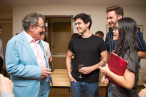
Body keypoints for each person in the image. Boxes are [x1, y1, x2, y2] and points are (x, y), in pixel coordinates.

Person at [5, 12, 52, 97]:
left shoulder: (39, 40)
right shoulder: (14, 42)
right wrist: (37, 71)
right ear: (32, 27)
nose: (44, 30)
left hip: (43, 87)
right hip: (27, 91)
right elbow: (11, 68)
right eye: (42, 27)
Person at [66, 13, 108, 97]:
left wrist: (92, 68)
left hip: (92, 81)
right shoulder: (73, 41)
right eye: (76, 24)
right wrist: (69, 74)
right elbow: (68, 57)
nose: (77, 26)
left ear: (87, 23)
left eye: (79, 23)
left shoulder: (99, 41)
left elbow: (105, 59)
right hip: (75, 80)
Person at [100, 17, 139, 97]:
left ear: (124, 31)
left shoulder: (130, 54)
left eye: (116, 29)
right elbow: (117, 73)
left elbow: (128, 84)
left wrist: (107, 72)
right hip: (113, 92)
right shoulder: (118, 51)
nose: (113, 31)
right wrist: (107, 78)